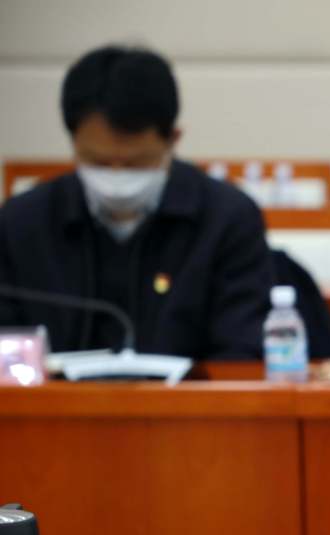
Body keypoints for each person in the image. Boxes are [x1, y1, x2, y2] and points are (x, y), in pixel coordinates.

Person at [0, 45, 272, 359]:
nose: (116, 177)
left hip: (190, 391)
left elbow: (242, 352)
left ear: (173, 139)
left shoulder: (227, 218)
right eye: (99, 162)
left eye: (136, 163)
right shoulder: (22, 223)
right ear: (74, 142)